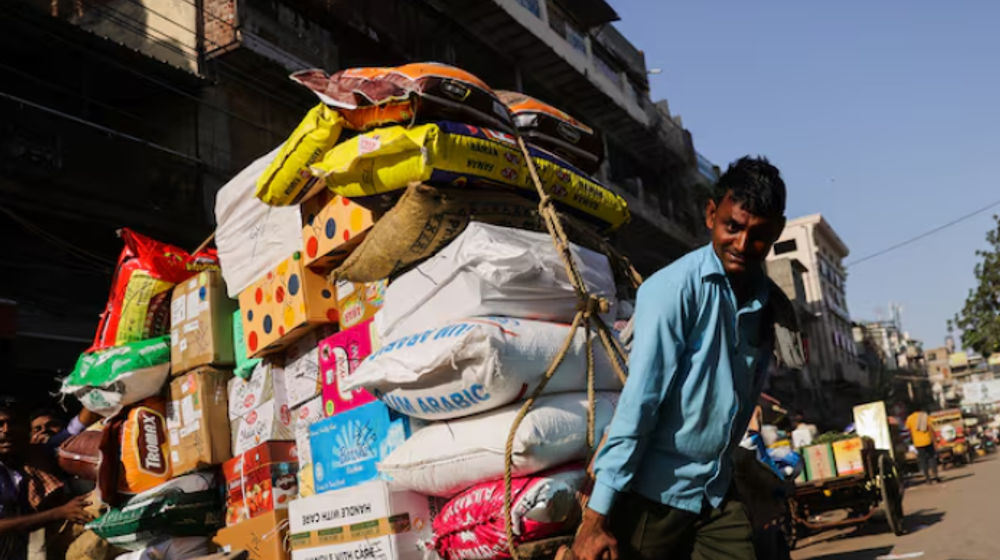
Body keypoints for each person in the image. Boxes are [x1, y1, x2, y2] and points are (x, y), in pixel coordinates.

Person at [571, 156, 792, 560]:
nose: (742, 245)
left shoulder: (767, 303)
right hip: (653, 498)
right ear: (711, 215)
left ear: (776, 231)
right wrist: (595, 519)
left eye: (758, 235)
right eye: (733, 227)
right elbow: (640, 403)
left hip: (714, 493)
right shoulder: (672, 290)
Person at [0, 401, 94, 560]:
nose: (6, 430)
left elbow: (78, 426)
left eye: (12, 423)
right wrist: (59, 512)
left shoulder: (37, 455)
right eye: (0, 424)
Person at [905, 408, 940, 484]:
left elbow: (908, 431)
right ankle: (935, 476)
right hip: (928, 440)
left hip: (918, 443)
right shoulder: (925, 416)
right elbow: (930, 428)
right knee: (932, 458)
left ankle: (927, 479)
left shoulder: (909, 418)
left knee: (923, 461)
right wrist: (935, 439)